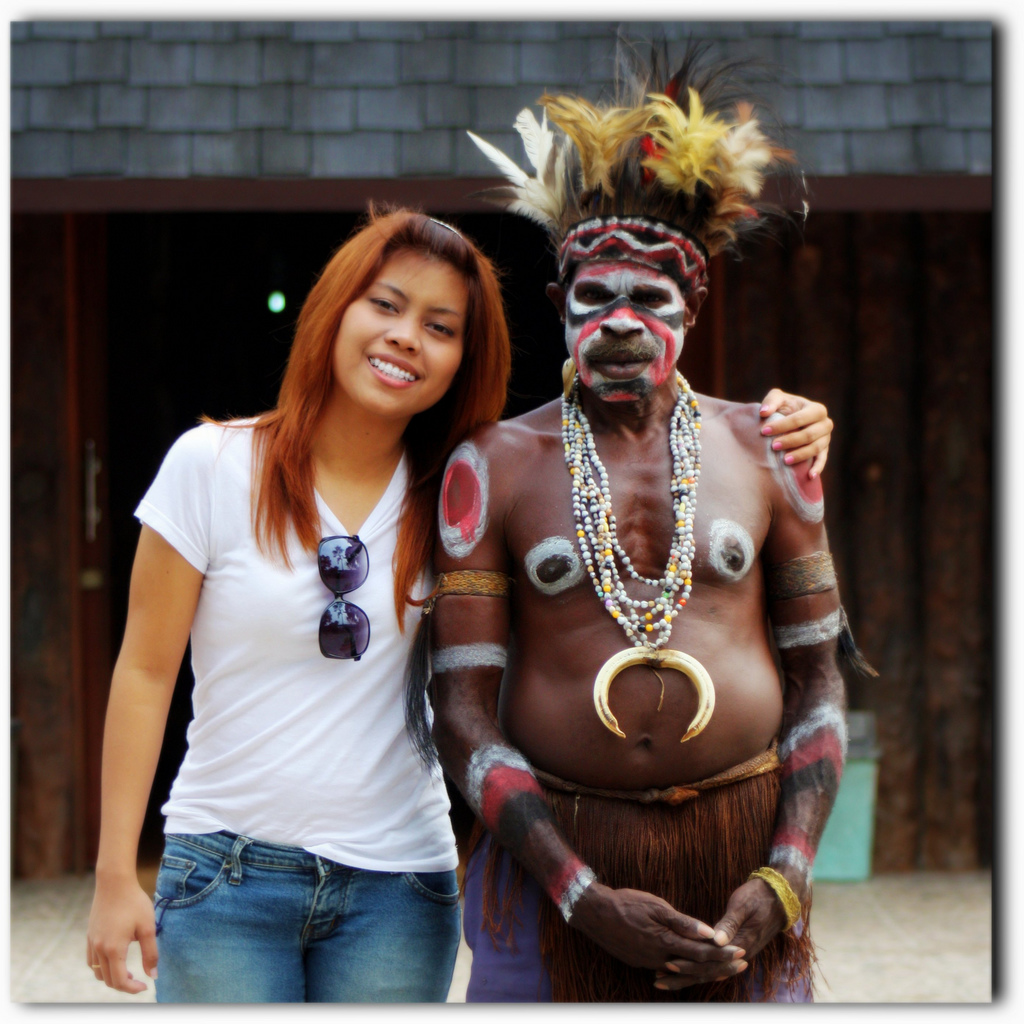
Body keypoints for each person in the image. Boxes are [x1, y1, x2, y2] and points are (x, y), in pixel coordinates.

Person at [85, 204, 831, 1002]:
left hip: (398, 882)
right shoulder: (217, 465)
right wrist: (113, 873)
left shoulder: (454, 483)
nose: (407, 337)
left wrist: (797, 425)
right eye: (386, 305)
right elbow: (143, 673)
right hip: (226, 873)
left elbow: (809, 666)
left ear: (461, 362)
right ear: (334, 308)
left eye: (440, 327)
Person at [422, 48, 871, 1003]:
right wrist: (580, 895)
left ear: (695, 303)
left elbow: (819, 683)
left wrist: (783, 878)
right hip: (554, 877)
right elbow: (459, 712)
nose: (621, 323)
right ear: (558, 305)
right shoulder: (493, 464)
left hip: (738, 861)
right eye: (595, 298)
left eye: (651, 299)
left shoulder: (769, 451)